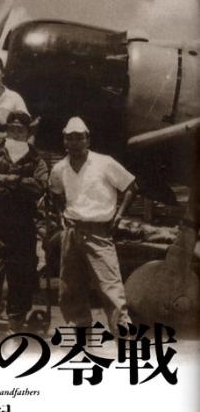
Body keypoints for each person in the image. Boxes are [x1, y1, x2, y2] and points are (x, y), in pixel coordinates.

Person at [49, 116, 138, 332]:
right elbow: (55, 193)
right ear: (64, 141)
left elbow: (131, 187)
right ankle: (81, 339)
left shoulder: (104, 163)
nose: (74, 142)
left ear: (88, 139)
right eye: (70, 138)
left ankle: (124, 337)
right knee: (71, 290)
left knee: (110, 289)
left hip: (99, 233)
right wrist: (62, 215)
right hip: (72, 233)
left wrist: (119, 216)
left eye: (79, 137)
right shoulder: (59, 168)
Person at [0, 111, 48, 335]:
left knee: (21, 280)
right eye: (12, 129)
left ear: (27, 132)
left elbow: (40, 187)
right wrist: (20, 183)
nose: (16, 134)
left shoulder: (36, 159)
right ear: (7, 130)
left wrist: (3, 179)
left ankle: (14, 330)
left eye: (20, 130)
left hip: (23, 229)